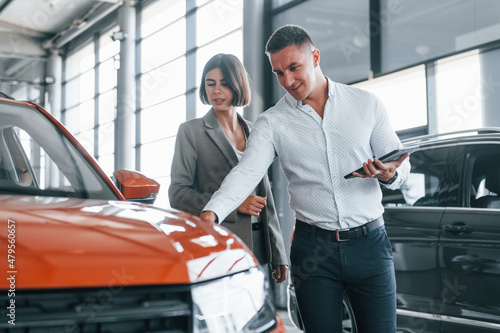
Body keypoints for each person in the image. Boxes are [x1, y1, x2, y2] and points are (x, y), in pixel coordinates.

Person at [200, 25, 411, 332]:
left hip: (370, 246)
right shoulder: (272, 122)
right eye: (279, 73)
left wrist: (390, 173)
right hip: (314, 251)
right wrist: (211, 213)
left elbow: (400, 167)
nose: (288, 81)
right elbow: (246, 172)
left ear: (315, 56)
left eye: (294, 67)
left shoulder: (366, 104)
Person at [168, 53, 288, 283]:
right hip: (218, 242)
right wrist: (232, 206)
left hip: (259, 247)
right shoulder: (191, 132)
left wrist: (278, 252)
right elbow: (177, 193)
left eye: (224, 84)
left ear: (238, 85)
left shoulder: (256, 132)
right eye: (210, 84)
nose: (216, 91)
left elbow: (266, 196)